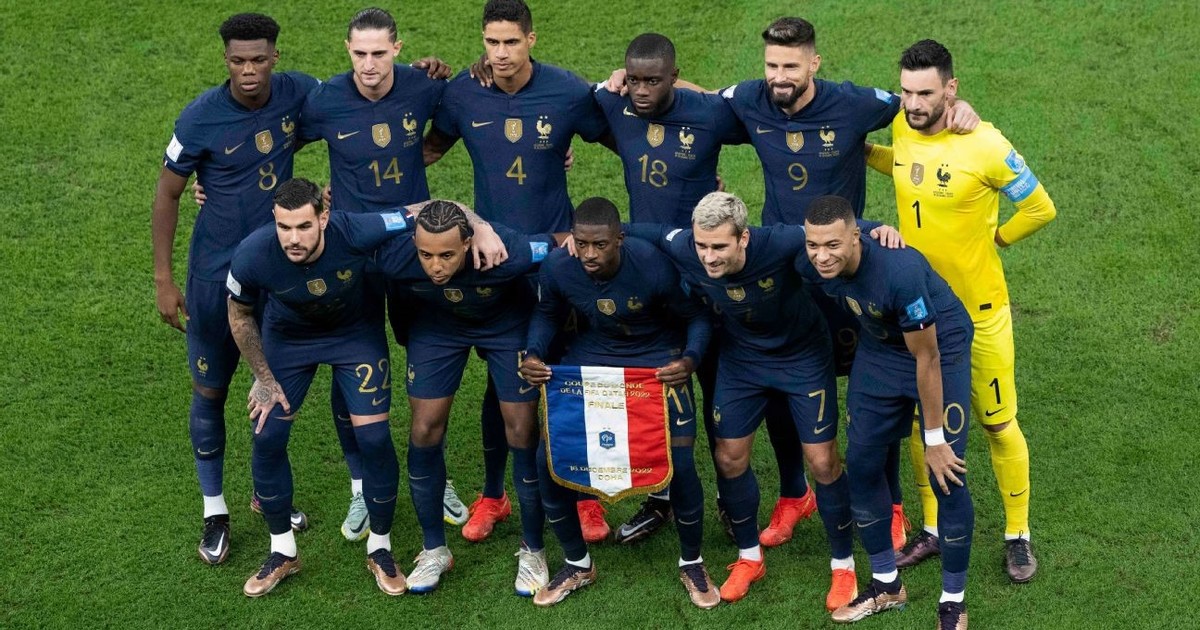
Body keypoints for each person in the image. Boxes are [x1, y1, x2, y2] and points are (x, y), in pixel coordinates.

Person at [594, 33, 817, 548]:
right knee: (658, 388)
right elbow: (566, 109)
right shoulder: (613, 102)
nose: (641, 90)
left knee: (727, 386)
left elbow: (772, 120)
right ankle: (663, 494)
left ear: (673, 77)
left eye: (654, 80)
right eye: (634, 79)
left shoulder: (711, 114)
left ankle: (756, 494)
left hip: (710, 271)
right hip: (650, 276)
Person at [626, 192, 902, 607]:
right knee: (729, 457)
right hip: (743, 361)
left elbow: (830, 233)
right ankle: (749, 557)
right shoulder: (683, 245)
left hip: (803, 357)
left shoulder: (778, 242)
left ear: (744, 238)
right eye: (702, 246)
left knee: (823, 461)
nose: (708, 257)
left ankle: (843, 565)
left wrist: (878, 229)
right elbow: (637, 231)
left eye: (719, 247)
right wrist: (571, 238)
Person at [423, 0, 614, 544]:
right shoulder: (462, 92)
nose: (501, 53)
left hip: (557, 258)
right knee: (501, 382)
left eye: (511, 41)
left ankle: (584, 498)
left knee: (566, 376)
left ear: (532, 39)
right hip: (495, 263)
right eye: (492, 42)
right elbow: (426, 149)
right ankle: (493, 496)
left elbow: (624, 135)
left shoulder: (568, 91)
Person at [867, 39, 1057, 584]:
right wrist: (866, 154)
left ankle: (1017, 534)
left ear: (951, 89)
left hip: (980, 313)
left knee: (998, 423)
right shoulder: (902, 126)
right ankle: (931, 528)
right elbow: (904, 164)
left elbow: (1040, 207)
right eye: (906, 92)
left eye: (925, 93)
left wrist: (997, 238)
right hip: (920, 314)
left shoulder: (986, 144)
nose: (912, 103)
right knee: (922, 423)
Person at [151, 12, 318, 565]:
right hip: (212, 278)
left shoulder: (296, 93)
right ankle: (214, 510)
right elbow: (168, 194)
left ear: (275, 57)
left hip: (274, 275)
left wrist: (425, 72)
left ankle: (266, 493)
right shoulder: (200, 117)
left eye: (258, 60)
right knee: (211, 391)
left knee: (272, 386)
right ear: (226, 60)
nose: (248, 71)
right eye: (238, 61)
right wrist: (163, 279)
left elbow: (353, 109)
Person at [295, 6, 463, 541]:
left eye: (379, 53)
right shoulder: (324, 100)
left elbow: (460, 121)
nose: (369, 65)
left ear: (397, 49)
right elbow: (276, 150)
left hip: (416, 249)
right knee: (351, 362)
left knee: (427, 358)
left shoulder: (423, 86)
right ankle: (360, 486)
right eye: (359, 54)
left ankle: (436, 475)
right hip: (351, 251)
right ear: (348, 51)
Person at [519, 198, 717, 608]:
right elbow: (547, 312)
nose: (589, 254)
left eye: (600, 245)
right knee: (548, 460)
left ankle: (692, 563)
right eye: (582, 244)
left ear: (620, 240)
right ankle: (577, 563)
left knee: (680, 464)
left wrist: (689, 360)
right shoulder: (558, 266)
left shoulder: (652, 265)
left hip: (656, 360)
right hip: (594, 357)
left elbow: (696, 317)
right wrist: (533, 352)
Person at [800, 195, 974, 629]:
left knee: (947, 475)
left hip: (939, 348)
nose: (822, 256)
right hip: (881, 349)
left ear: (855, 238)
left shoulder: (900, 272)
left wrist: (934, 440)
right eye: (813, 245)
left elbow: (927, 358)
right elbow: (760, 241)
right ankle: (886, 585)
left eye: (833, 246)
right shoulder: (817, 249)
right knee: (861, 464)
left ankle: (953, 602)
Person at [373, 201, 558, 595]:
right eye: (425, 255)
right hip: (437, 328)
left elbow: (558, 246)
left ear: (468, 244)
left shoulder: (505, 251)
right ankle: (434, 550)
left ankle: (533, 549)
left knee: (522, 430)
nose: (435, 266)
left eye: (446, 255)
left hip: (506, 326)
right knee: (424, 429)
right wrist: (408, 337)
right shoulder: (395, 256)